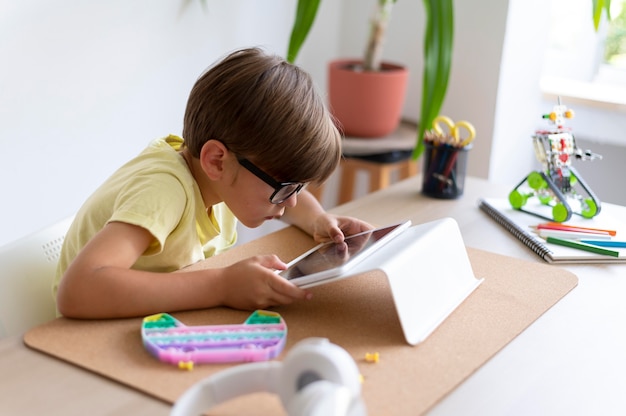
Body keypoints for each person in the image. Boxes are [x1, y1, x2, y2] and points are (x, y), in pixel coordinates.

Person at [54, 47, 373, 319]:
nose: (290, 202)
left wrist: (318, 219)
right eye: (285, 189)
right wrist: (221, 285)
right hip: (92, 337)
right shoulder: (164, 193)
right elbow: (79, 290)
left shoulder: (220, 179)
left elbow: (279, 190)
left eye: (297, 189)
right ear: (217, 160)